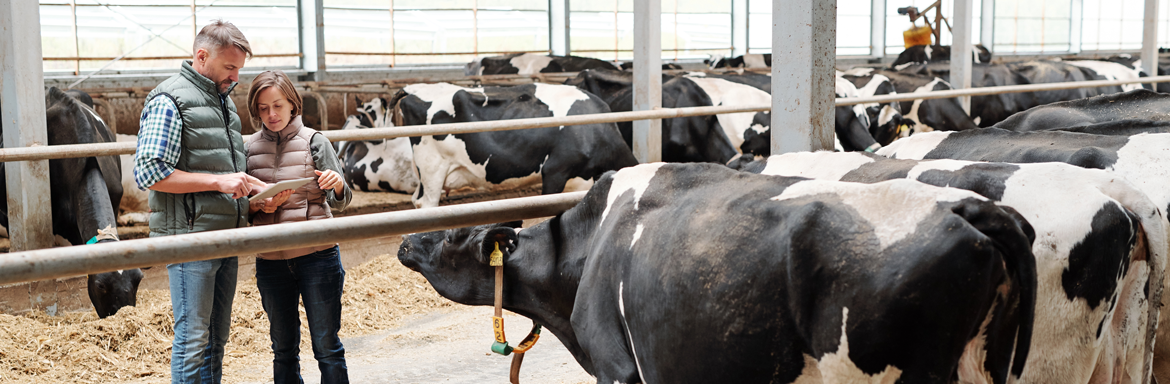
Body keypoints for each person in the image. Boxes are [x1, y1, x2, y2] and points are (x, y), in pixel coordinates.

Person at [133, 20, 264, 384]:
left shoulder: (224, 103)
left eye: (239, 68)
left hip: (226, 235)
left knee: (215, 341)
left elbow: (222, 170)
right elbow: (148, 172)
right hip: (191, 239)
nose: (236, 76)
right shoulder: (170, 99)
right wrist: (218, 181)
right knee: (193, 341)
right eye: (230, 67)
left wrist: (253, 194)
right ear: (201, 56)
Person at [245, 70, 352, 384]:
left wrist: (338, 185)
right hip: (270, 262)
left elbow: (344, 200)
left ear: (293, 104)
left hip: (317, 257)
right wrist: (257, 205)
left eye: (277, 105)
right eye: (263, 109)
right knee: (283, 349)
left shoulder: (314, 142)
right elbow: (241, 208)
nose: (272, 114)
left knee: (326, 346)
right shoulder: (248, 149)